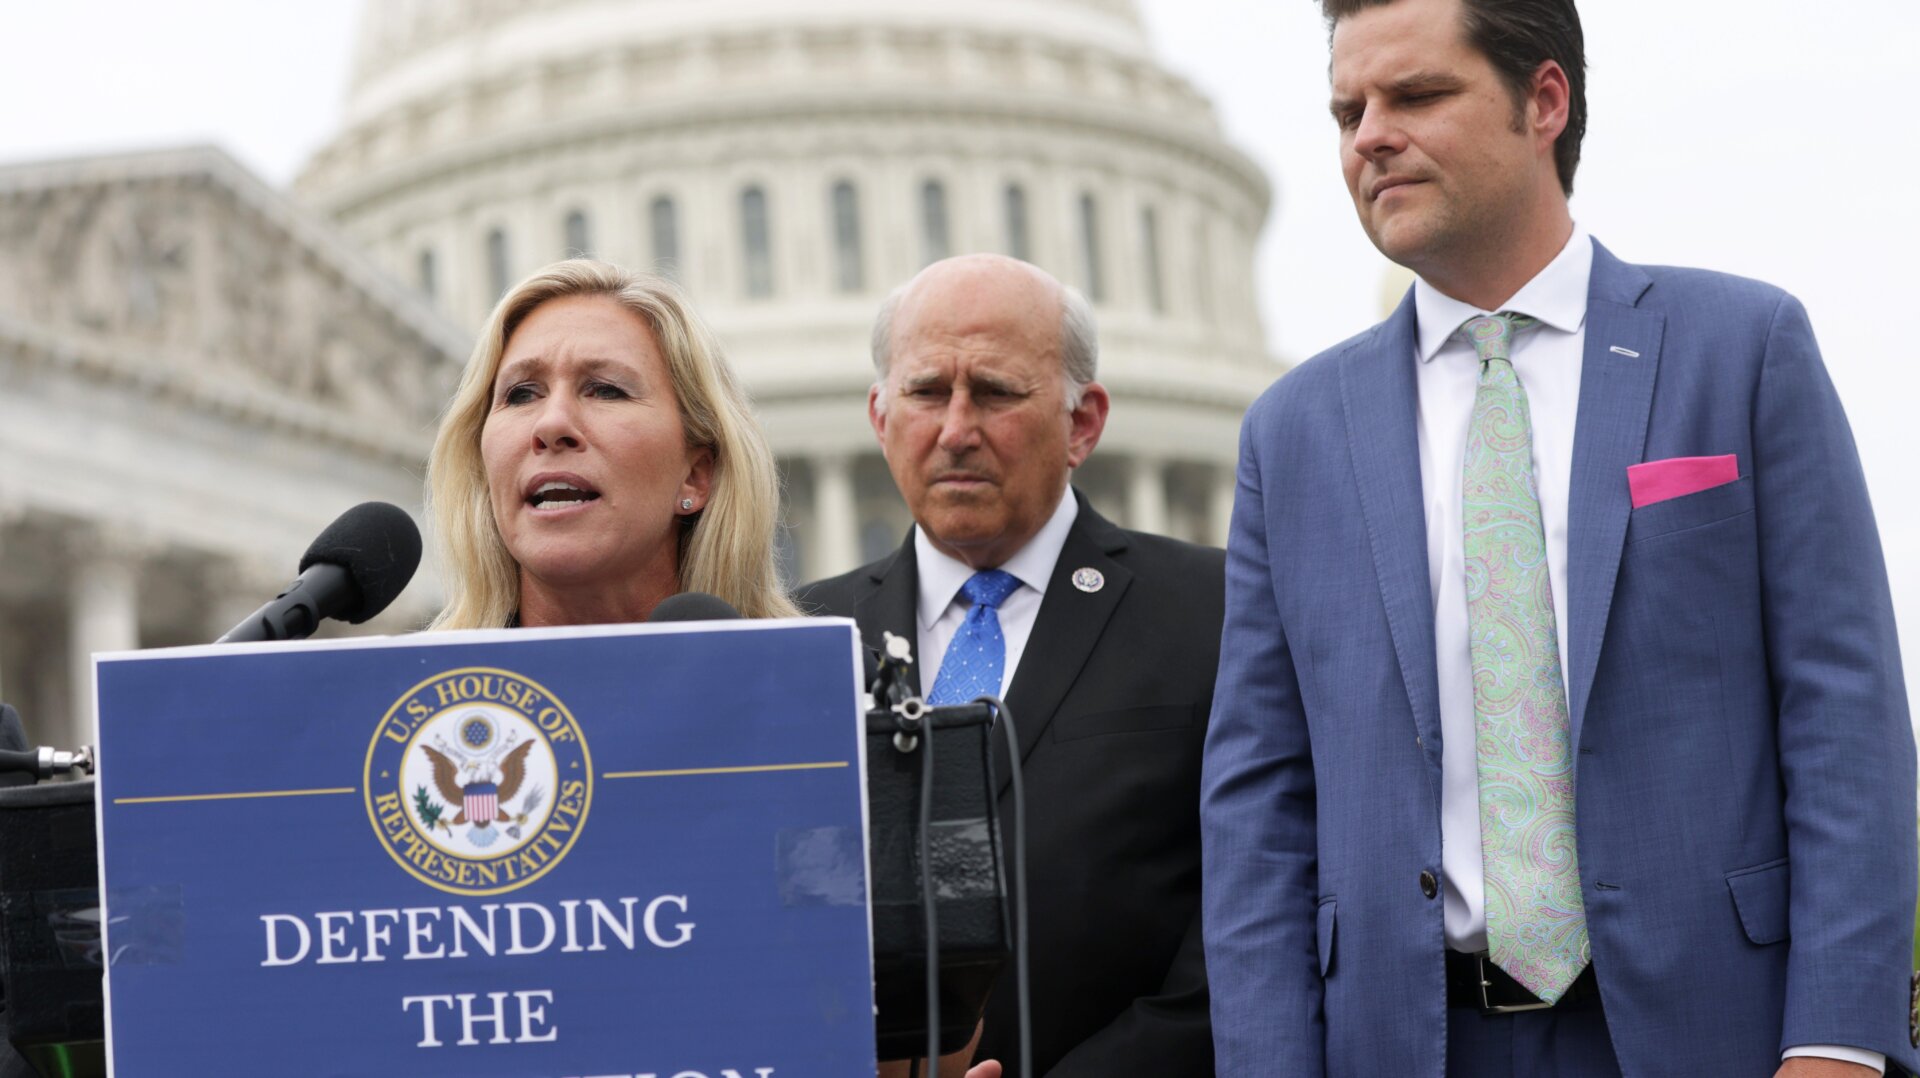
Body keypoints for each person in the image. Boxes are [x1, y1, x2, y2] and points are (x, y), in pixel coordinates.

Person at [1199, 0, 1918, 1075]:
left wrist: (1839, 1041)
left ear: (1545, 101)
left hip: (1721, 1034)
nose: (1369, 137)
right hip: (1407, 1043)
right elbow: (1258, 797)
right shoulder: (1293, 433)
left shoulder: (1742, 348)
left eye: (1418, 95)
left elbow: (1845, 716)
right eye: (1349, 110)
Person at [800, 254, 1219, 1077]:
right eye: (925, 393)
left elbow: (1253, 918)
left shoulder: (1215, 612)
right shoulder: (803, 637)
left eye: (994, 392)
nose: (956, 429)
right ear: (881, 416)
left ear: (1083, 422)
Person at [426, 258, 797, 627]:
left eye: (605, 390)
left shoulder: (818, 681)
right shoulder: (413, 685)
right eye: (521, 394)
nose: (552, 423)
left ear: (696, 476)